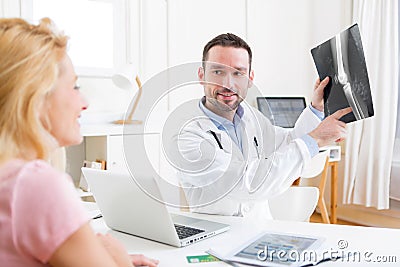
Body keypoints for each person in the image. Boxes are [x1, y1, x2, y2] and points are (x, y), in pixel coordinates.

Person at [0, 18, 158, 267]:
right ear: (36, 96)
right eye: (74, 86)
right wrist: (117, 260)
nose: (84, 101)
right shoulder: (36, 185)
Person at [165, 33, 351, 219]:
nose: (228, 84)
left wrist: (316, 108)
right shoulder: (186, 135)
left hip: (261, 233)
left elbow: (288, 141)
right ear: (201, 75)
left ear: (250, 78)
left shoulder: (252, 120)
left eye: (238, 73)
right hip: (215, 239)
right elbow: (246, 183)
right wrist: (315, 139)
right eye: (218, 72)